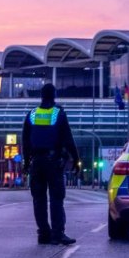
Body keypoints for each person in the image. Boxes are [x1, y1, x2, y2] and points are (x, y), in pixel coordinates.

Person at [21, 82, 80, 245]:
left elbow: (25, 141)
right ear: (54, 95)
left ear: (41, 96)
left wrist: (26, 163)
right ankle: (57, 234)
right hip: (53, 162)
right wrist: (76, 159)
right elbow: (68, 139)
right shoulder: (58, 114)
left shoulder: (31, 114)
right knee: (56, 198)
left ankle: (43, 234)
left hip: (36, 163)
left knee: (38, 199)